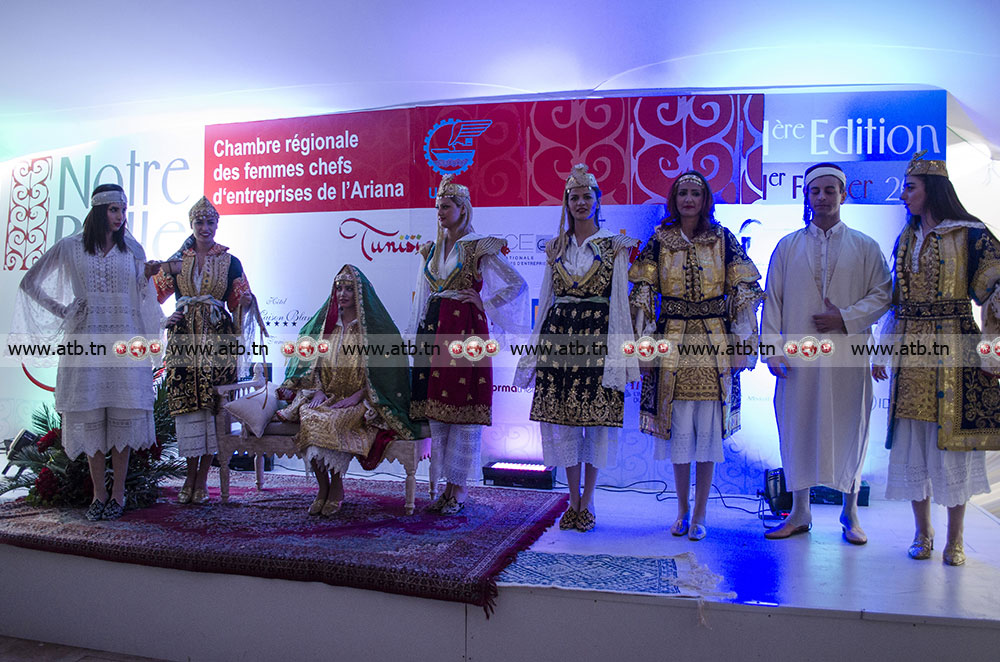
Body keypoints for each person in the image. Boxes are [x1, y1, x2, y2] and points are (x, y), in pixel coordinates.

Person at [872, 151, 998, 565]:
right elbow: (898, 302)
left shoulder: (971, 234)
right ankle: (922, 532)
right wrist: (883, 350)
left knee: (951, 447)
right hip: (912, 355)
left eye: (910, 187)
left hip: (954, 351)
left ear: (933, 189)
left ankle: (955, 539)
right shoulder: (906, 238)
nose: (903, 195)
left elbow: (995, 291)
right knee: (915, 443)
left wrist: (991, 353)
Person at [12, 183, 163, 520]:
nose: (120, 216)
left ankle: (118, 495)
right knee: (92, 418)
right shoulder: (71, 247)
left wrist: (146, 276)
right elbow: (30, 282)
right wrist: (65, 310)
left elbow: (141, 297)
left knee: (123, 418)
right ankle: (98, 495)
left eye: (123, 210)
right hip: (86, 343)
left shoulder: (132, 249)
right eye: (113, 209)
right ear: (98, 211)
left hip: (125, 343)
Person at [628, 171, 763, 540]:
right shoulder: (659, 240)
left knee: (708, 433)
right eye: (683, 193)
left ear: (705, 200)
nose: (689, 199)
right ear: (674, 199)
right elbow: (643, 295)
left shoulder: (723, 238)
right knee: (679, 432)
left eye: (695, 193)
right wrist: (643, 347)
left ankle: (701, 512)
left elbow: (743, 292)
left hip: (714, 343)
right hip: (671, 340)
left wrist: (742, 344)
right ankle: (682, 510)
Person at [762, 163, 892, 543]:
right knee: (797, 426)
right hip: (798, 357)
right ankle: (799, 512)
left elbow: (883, 294)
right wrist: (772, 351)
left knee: (850, 425)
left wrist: (845, 317)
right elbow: (772, 302)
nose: (822, 197)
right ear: (806, 195)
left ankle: (850, 513)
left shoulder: (865, 246)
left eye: (829, 190)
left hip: (847, 355)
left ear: (843, 195)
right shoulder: (787, 246)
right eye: (815, 191)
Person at [514, 164, 639, 532]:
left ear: (597, 201)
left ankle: (590, 500)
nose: (581, 202)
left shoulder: (614, 245)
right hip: (559, 339)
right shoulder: (555, 247)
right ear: (566, 203)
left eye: (587, 196)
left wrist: (624, 356)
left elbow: (620, 303)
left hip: (598, 338)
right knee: (565, 423)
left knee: (595, 424)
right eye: (574, 197)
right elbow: (545, 299)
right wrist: (534, 351)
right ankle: (572, 500)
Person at [409, 175, 528, 515]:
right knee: (438, 411)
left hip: (463, 329)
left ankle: (459, 489)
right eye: (438, 207)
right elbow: (423, 295)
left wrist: (484, 302)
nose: (440, 213)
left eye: (446, 206)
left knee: (461, 408)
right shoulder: (431, 249)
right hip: (435, 330)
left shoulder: (478, 246)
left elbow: (516, 284)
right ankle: (445, 488)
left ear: (463, 209)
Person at [277, 265, 421, 516]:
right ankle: (323, 488)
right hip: (325, 396)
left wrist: (358, 396)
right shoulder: (326, 325)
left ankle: (337, 487)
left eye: (349, 289)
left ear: (360, 292)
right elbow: (312, 364)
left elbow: (385, 373)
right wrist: (318, 391)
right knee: (310, 416)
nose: (342, 294)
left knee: (334, 421)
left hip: (360, 401)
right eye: (339, 288)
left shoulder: (373, 329)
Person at [154, 197, 254, 504]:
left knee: (213, 407)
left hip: (218, 341)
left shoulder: (230, 261)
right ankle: (189, 476)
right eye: (199, 222)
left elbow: (239, 301)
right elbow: (150, 293)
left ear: (217, 225)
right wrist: (163, 319)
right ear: (191, 224)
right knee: (187, 405)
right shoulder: (176, 261)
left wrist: (245, 302)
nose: (205, 228)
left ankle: (202, 480)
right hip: (183, 339)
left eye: (210, 222)